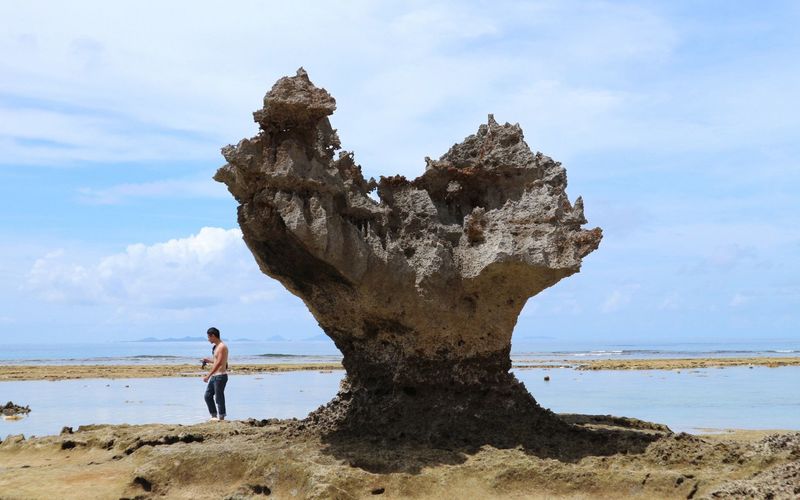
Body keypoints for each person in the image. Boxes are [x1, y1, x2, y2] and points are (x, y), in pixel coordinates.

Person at [202, 327, 229, 421]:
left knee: (219, 397)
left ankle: (221, 417)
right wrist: (208, 360)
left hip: (220, 376)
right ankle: (214, 416)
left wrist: (208, 375)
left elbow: (220, 363)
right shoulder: (216, 347)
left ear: (213, 336)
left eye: (208, 337)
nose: (208, 339)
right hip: (215, 376)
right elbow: (216, 360)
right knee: (208, 396)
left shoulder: (222, 346)